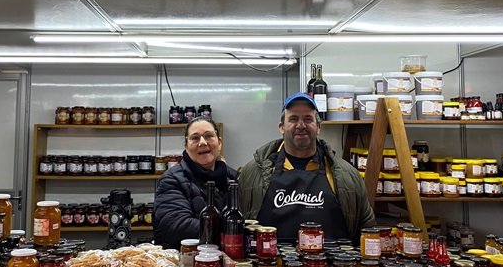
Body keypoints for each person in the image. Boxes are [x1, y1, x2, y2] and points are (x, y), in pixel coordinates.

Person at [238, 92, 375, 242]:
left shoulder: (348, 176)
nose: (301, 125)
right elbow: (237, 228)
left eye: (308, 119)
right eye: (293, 119)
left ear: (318, 127)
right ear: (281, 127)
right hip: (269, 257)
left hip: (332, 257)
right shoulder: (252, 174)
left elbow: (367, 231)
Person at [154, 117, 237, 249]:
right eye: (195, 138)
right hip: (188, 258)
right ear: (186, 146)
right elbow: (176, 226)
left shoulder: (234, 178)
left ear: (219, 143)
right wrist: (233, 228)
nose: (202, 142)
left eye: (209, 136)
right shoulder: (172, 180)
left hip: (232, 257)